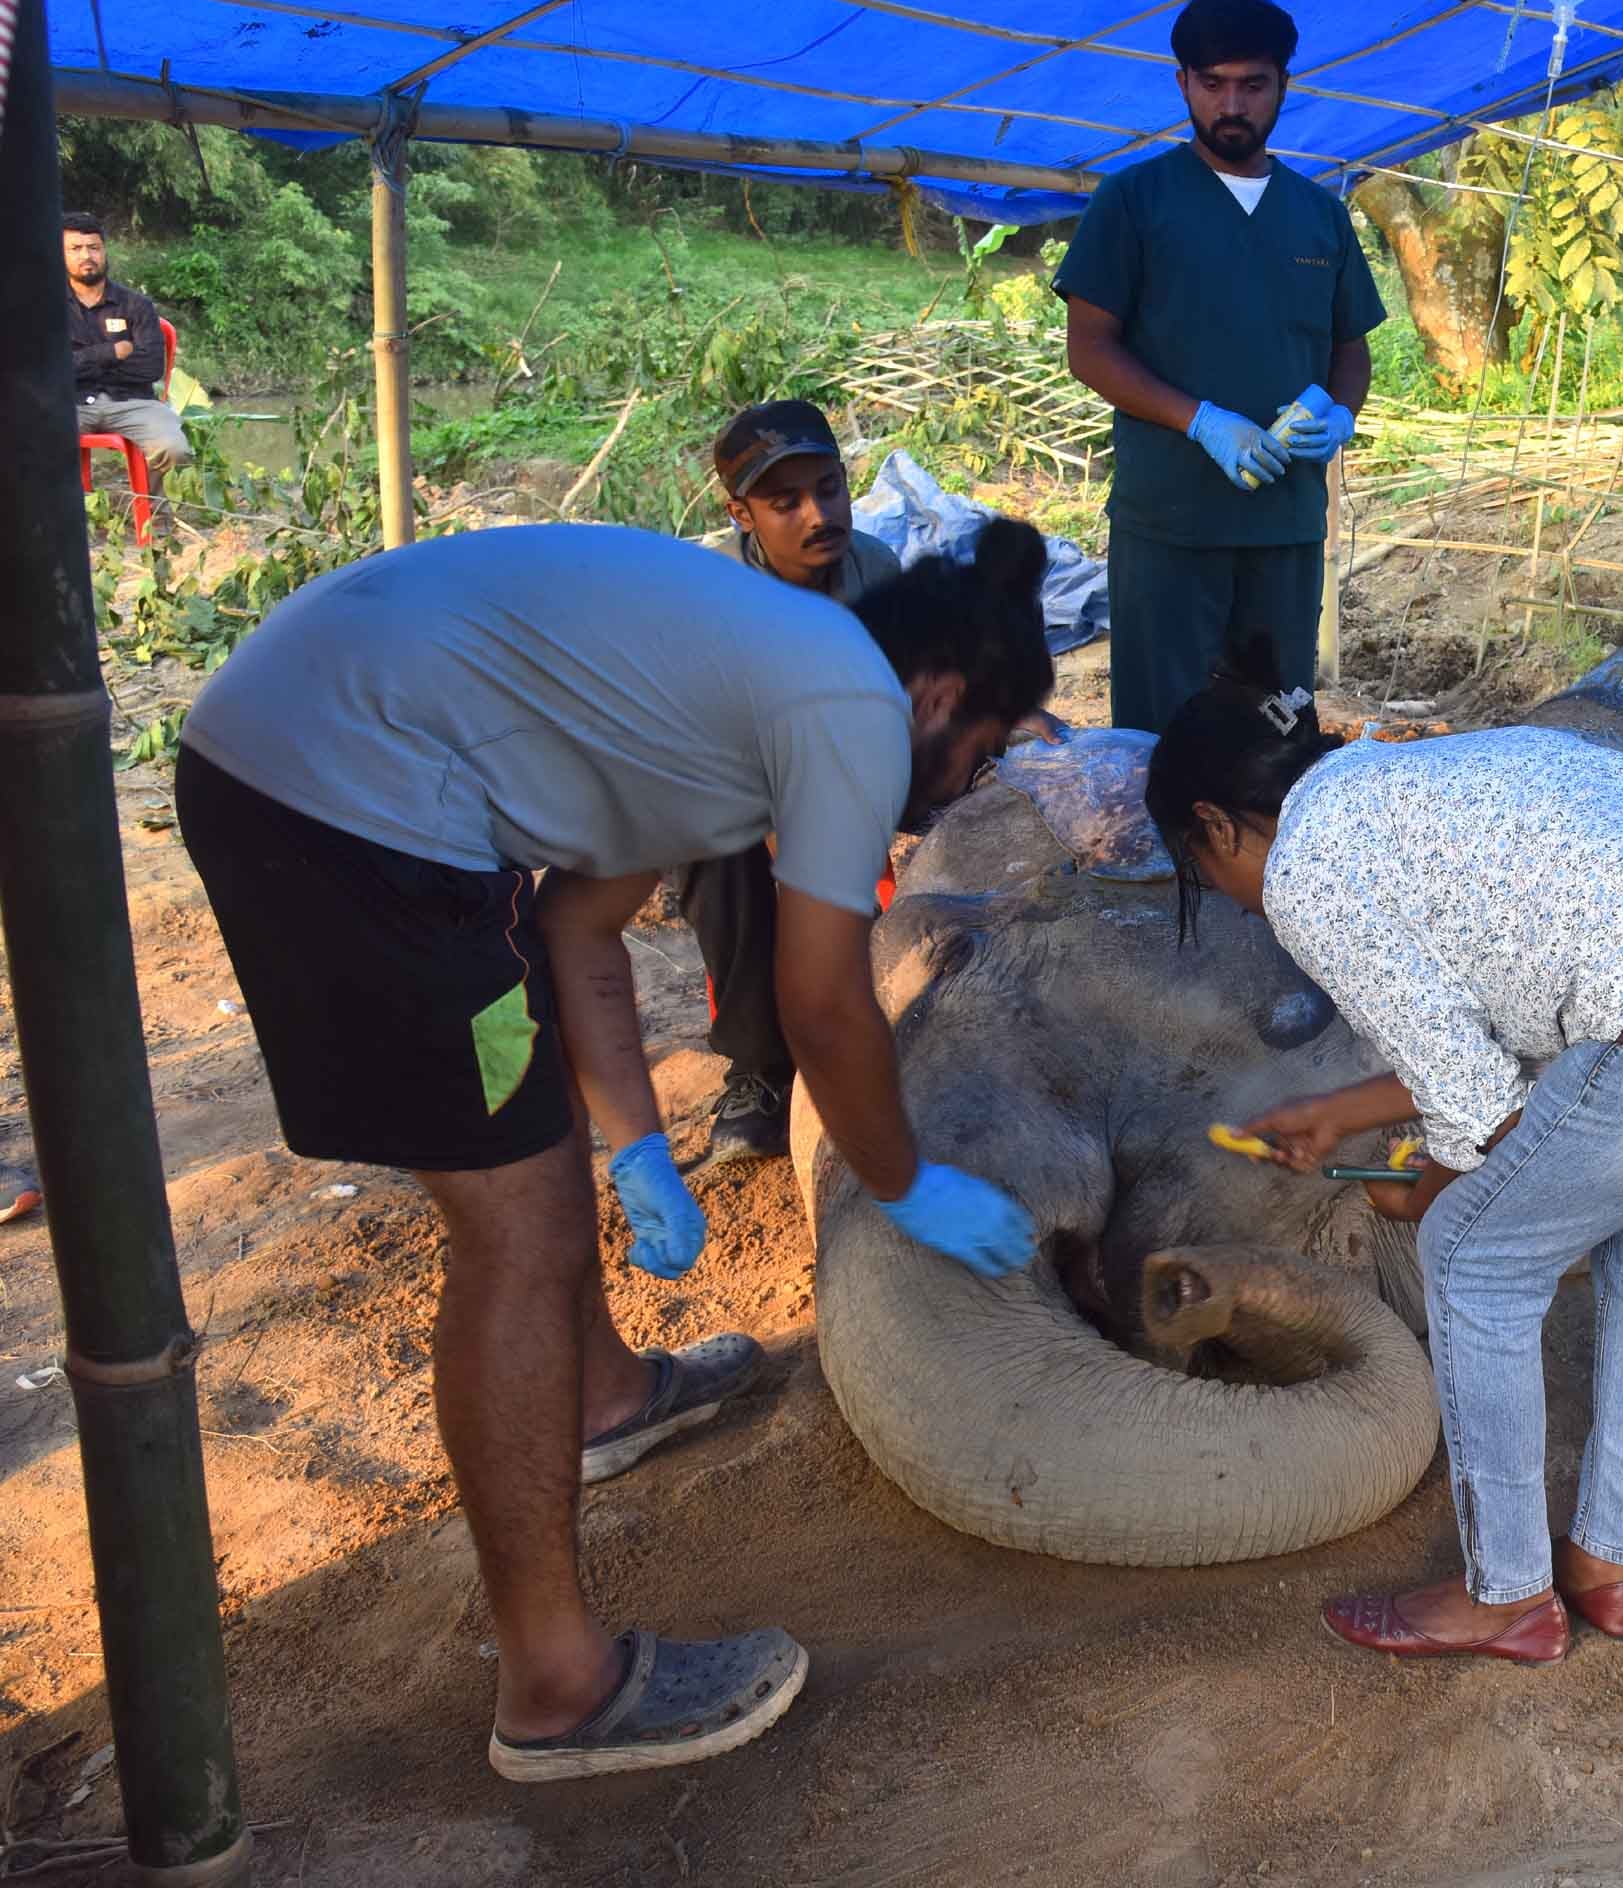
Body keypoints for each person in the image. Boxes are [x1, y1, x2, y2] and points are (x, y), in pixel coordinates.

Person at [175, 522, 1056, 1779]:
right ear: (941, 694)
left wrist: (638, 1146)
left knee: (528, 1155)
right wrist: (906, 1179)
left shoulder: (748, 692)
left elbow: (577, 930)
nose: (965, 784)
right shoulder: (850, 704)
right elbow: (823, 1000)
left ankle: (600, 1396)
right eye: (979, 754)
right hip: (347, 805)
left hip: (310, 764)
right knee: (519, 1231)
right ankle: (557, 1685)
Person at [1145, 639, 1623, 1663]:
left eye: (1199, 867)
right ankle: (1605, 1563)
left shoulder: (1305, 869)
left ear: (1211, 824)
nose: (1228, 891)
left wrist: (1423, 1186)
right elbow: (1491, 1019)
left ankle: (1506, 1592)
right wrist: (1348, 1112)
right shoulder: (1392, 780)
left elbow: (1478, 1111)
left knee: (1473, 1254)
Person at [1056, 0, 1386, 732]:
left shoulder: (1319, 215)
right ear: (1183, 85)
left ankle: (1266, 852)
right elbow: (1090, 349)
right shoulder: (1135, 201)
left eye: (1253, 85)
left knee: (1275, 726)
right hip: (1170, 523)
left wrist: (1339, 416)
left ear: (1282, 87)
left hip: (1287, 526)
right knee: (1162, 732)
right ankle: (1168, 854)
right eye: (1212, 84)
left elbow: (1349, 351)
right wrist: (1201, 421)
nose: (1231, 104)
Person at [685, 398, 911, 1163]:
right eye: (785, 503)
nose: (819, 514)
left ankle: (902, 1009)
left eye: (830, 487)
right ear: (740, 513)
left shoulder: (875, 570)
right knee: (716, 853)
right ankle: (759, 1070)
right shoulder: (709, 594)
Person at [64, 211, 190, 468]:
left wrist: (81, 363)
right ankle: (56, 508)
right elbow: (50, 369)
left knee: (174, 449)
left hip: (132, 403)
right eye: (75, 248)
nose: (86, 256)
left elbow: (151, 367)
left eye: (94, 248)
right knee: (26, 438)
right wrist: (111, 352)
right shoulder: (45, 305)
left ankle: (154, 507)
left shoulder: (137, 304)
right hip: (70, 403)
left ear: (105, 251)